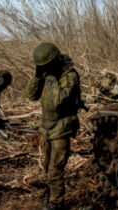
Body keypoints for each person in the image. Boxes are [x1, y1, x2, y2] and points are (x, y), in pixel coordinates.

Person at [26, 42, 83, 210]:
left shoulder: (70, 75)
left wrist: (50, 78)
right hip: (46, 127)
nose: (44, 69)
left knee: (56, 168)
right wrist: (38, 76)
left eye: (46, 66)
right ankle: (51, 192)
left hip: (62, 127)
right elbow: (31, 95)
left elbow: (57, 103)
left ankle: (57, 203)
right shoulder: (46, 73)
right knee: (46, 165)